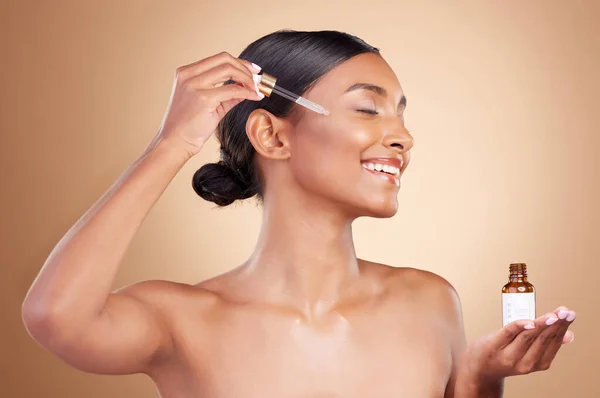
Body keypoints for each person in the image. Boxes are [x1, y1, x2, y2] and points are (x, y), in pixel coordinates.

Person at [22, 30, 576, 398]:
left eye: (401, 115)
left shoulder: (431, 301)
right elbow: (55, 319)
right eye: (367, 108)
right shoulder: (181, 319)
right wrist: (171, 142)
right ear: (272, 135)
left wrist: (482, 376)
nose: (402, 137)